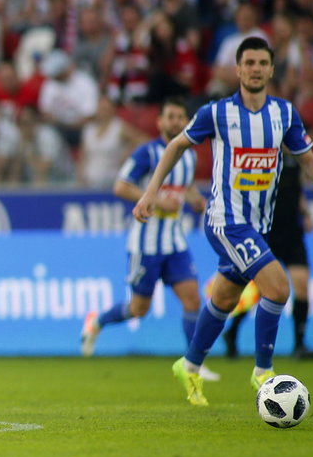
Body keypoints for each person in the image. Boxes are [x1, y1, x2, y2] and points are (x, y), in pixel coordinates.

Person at [133, 37, 313, 407]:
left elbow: (304, 155)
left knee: (224, 298)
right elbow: (176, 145)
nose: (256, 68)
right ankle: (263, 372)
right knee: (277, 288)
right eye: (249, 63)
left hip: (259, 223)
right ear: (238, 69)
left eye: (263, 62)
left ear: (272, 69)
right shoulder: (217, 113)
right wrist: (149, 193)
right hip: (226, 220)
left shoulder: (285, 114)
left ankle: (190, 365)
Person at [81, 98, 219, 382]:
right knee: (137, 309)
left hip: (175, 243)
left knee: (192, 299)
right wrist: (156, 200)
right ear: (159, 122)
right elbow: (120, 186)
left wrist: (195, 200)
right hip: (145, 245)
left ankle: (194, 363)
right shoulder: (147, 152)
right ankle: (97, 321)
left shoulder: (189, 155)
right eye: (170, 116)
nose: (176, 122)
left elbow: (186, 186)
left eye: (180, 116)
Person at [221, 153, 313, 359]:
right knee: (262, 290)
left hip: (293, 232)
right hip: (267, 232)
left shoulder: (296, 159)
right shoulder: (264, 155)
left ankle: (299, 344)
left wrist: (305, 214)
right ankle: (232, 332)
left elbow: (297, 190)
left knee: (302, 284)